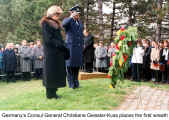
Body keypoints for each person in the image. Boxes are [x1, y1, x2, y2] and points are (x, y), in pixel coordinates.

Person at [41, 5, 70, 99]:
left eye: (59, 14)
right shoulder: (46, 23)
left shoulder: (55, 23)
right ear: (52, 13)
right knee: (51, 73)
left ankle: (54, 93)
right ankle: (50, 94)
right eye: (57, 14)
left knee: (56, 73)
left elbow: (58, 38)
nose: (58, 16)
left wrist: (63, 45)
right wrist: (59, 45)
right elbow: (48, 39)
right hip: (51, 53)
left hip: (57, 52)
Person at [62, 5, 84, 89]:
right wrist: (71, 17)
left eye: (78, 14)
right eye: (76, 13)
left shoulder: (79, 22)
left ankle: (76, 83)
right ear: (72, 13)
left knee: (76, 66)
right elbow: (63, 24)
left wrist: (82, 44)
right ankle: (71, 84)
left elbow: (81, 35)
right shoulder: (68, 20)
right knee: (70, 66)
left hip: (78, 48)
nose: (78, 15)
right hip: (70, 48)